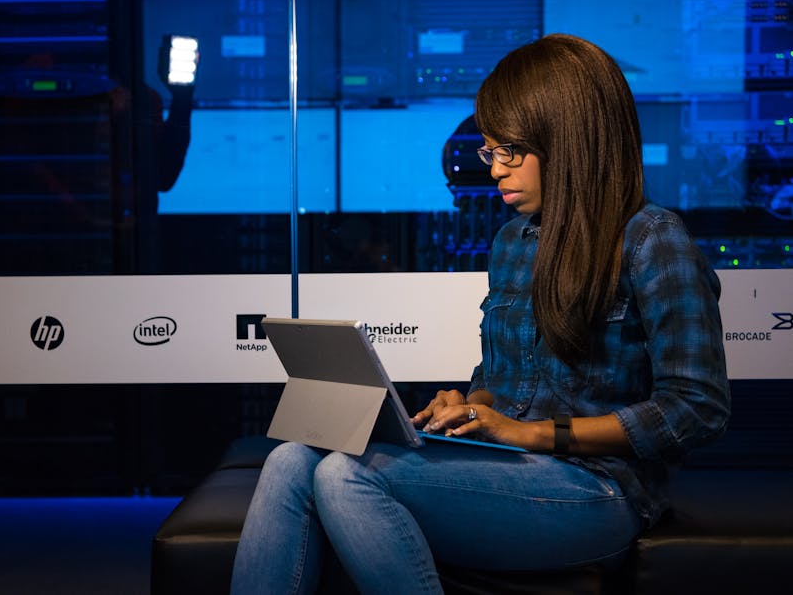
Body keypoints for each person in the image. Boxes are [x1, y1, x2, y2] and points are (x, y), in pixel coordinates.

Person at [230, 34, 730, 594]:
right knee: (293, 460)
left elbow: (696, 407)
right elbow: (502, 382)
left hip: (599, 490)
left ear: (568, 140)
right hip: (506, 463)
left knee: (349, 477)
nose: (493, 169)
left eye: (509, 151)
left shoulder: (652, 238)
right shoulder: (513, 241)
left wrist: (533, 434)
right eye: (490, 152)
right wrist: (471, 404)